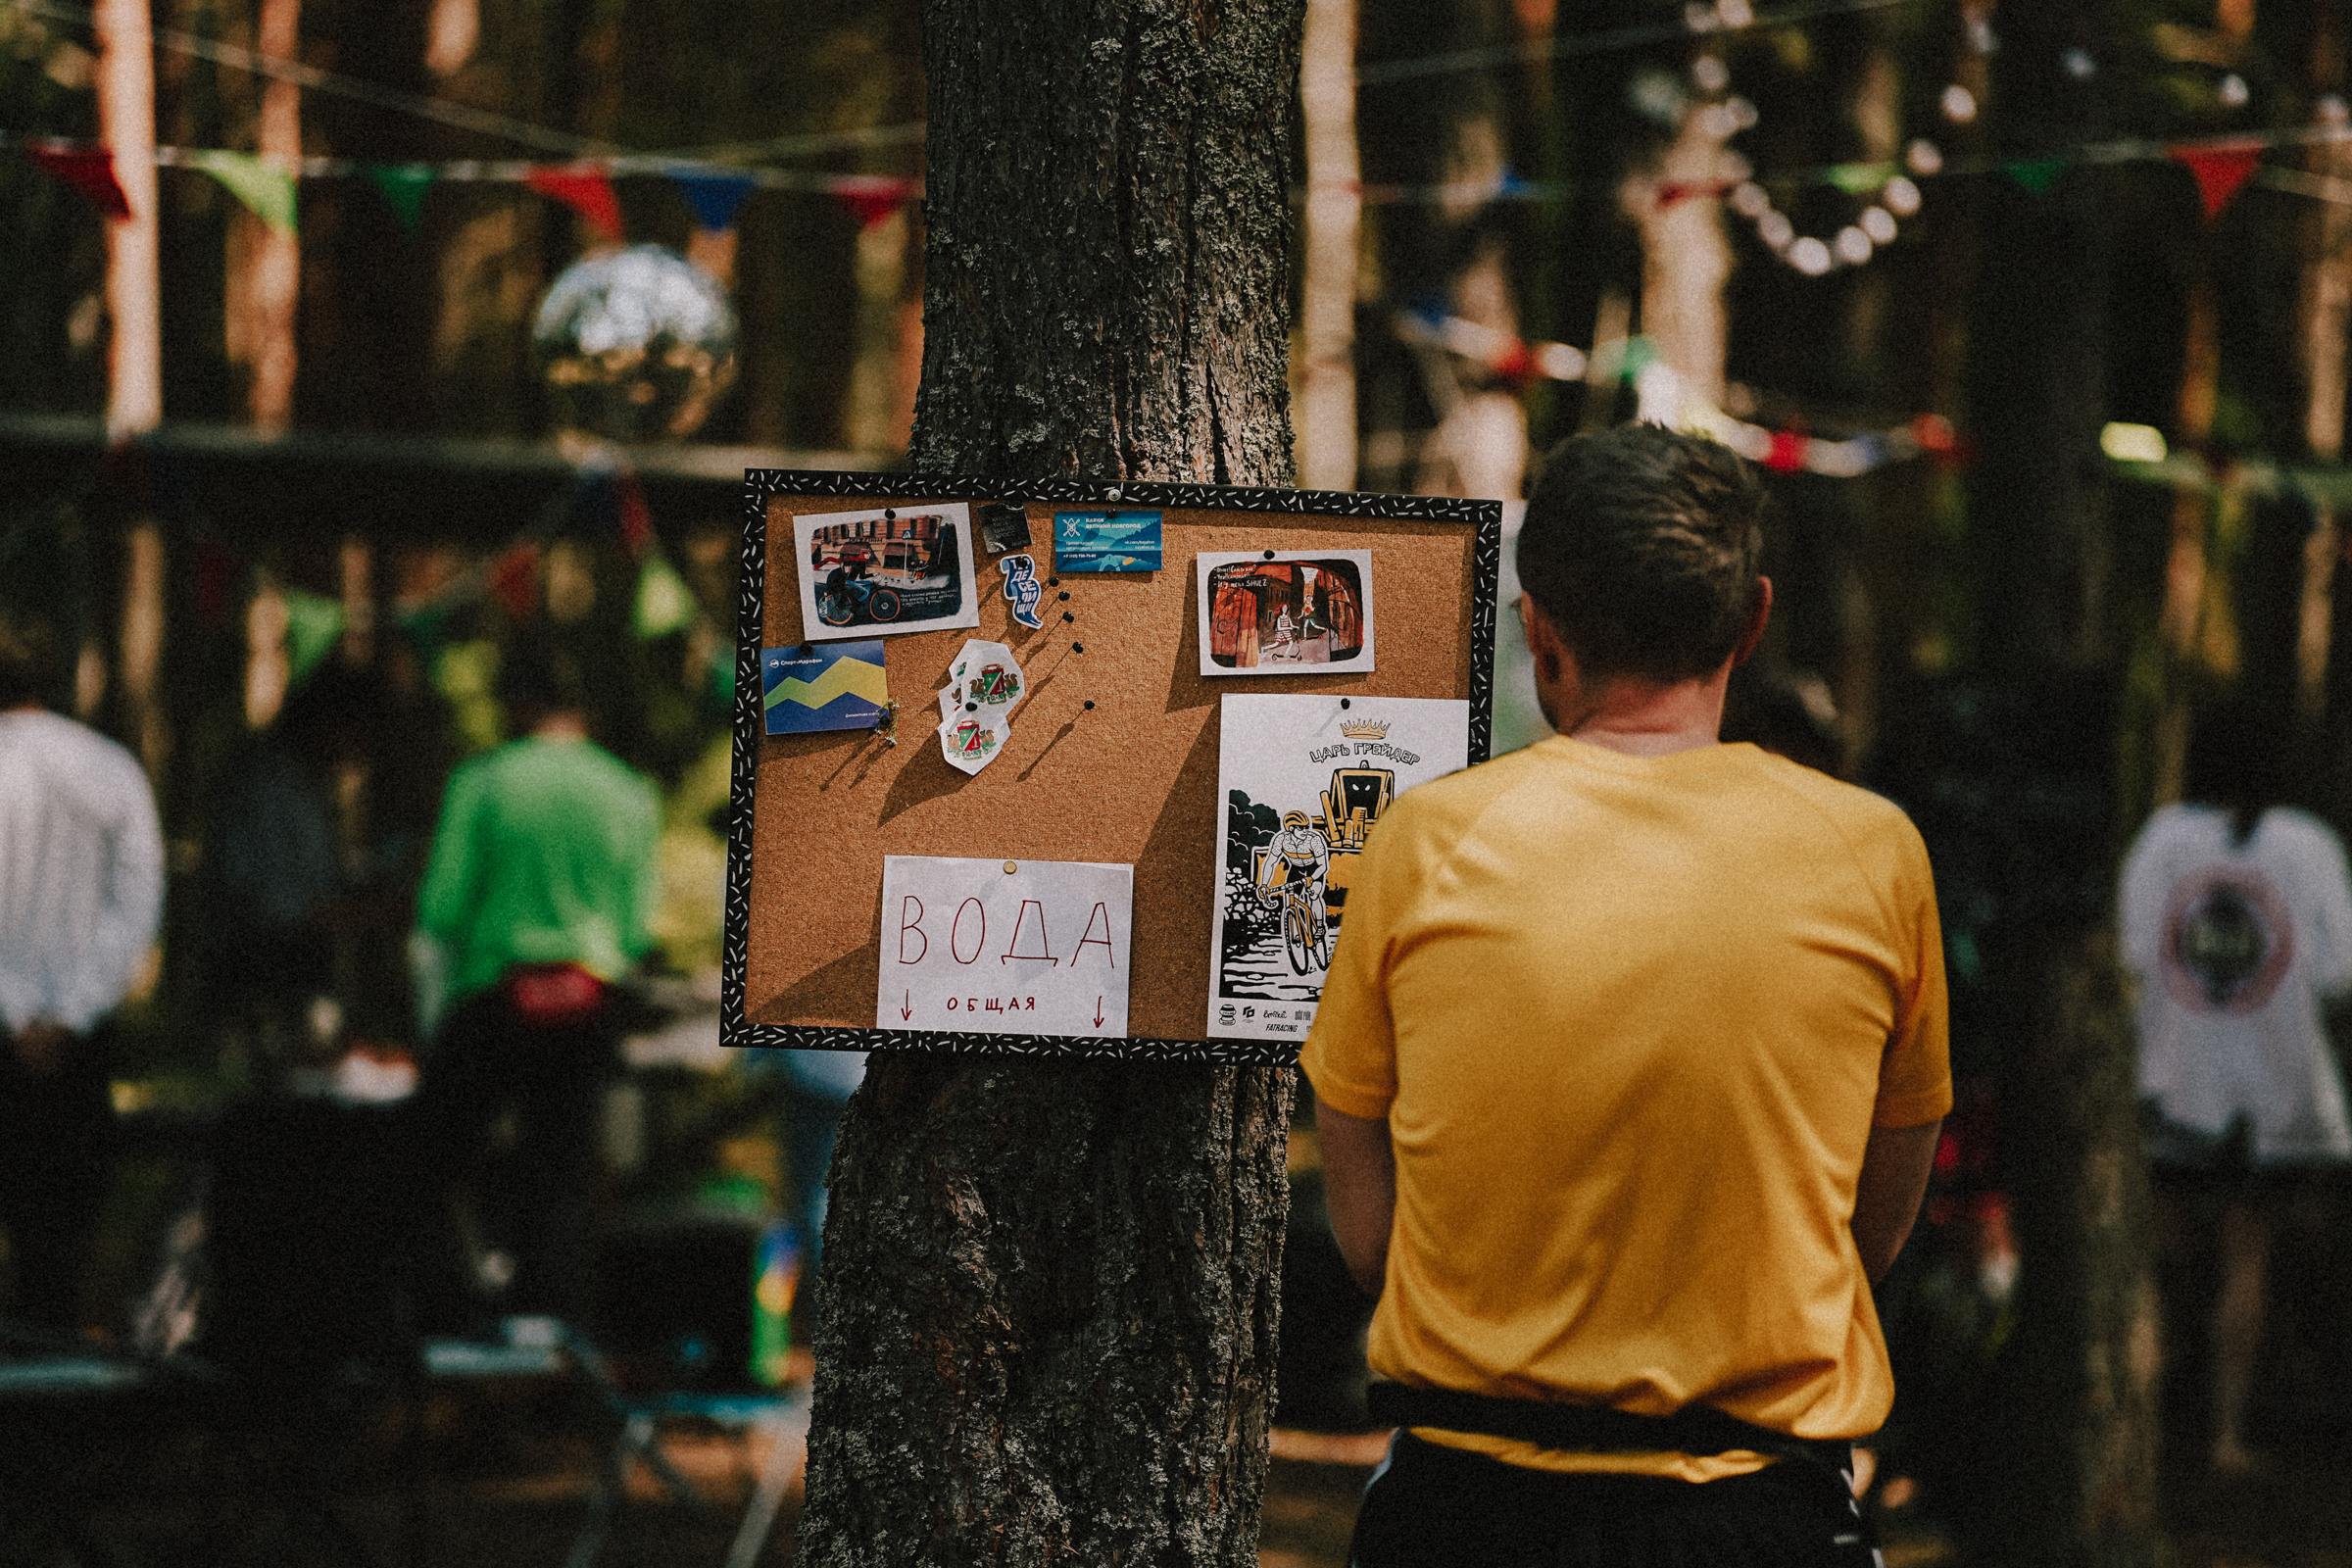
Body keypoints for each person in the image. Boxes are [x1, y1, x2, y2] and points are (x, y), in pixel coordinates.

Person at [1302, 423, 1948, 1566]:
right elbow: (1874, 1224)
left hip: (1465, 1510)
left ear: (1538, 629)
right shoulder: (1876, 854)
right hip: (1762, 1514)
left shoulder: (1422, 843)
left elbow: (1369, 1241)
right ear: (1751, 621)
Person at [2119, 702, 2352, 1475]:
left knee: (2156, 1261)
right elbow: (2337, 973)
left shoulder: (2162, 841)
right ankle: (2225, 1434)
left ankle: (2140, 1436)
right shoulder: (2308, 846)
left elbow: (2130, 951)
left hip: (2173, 1084)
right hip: (2271, 1088)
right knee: (2244, 1261)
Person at [413, 643, 661, 1325]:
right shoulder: (628, 792)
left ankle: (444, 1311)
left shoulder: (484, 780)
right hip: (585, 1005)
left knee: (429, 1160)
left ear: (517, 707)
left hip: (495, 995)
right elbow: (637, 927)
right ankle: (547, 1325)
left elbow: (441, 908)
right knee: (558, 1174)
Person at [0, 613, 164, 1332]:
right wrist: (69, 1010)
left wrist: (12, 1009)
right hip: (78, 1040)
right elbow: (136, 902)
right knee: (60, 1227)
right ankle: (55, 1374)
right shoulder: (110, 767)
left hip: (5, 1029)